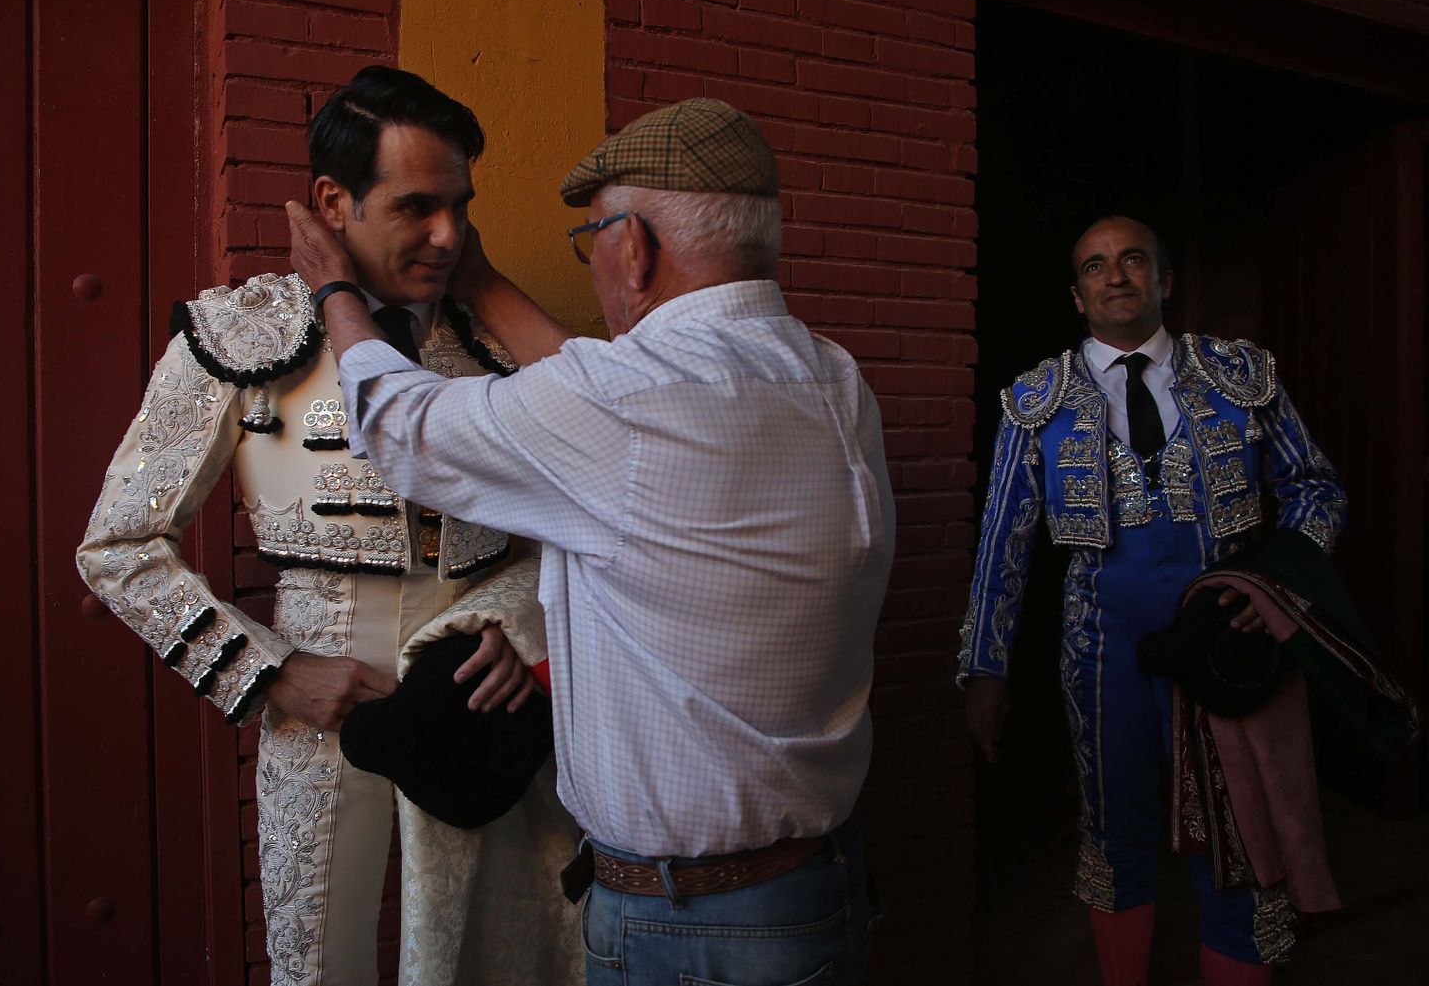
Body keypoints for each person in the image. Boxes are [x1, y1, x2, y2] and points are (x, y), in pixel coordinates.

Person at [283, 97, 894, 986]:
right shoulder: (835, 378)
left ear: (635, 246)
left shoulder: (632, 405)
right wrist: (482, 284)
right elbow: (614, 413)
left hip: (690, 932)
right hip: (814, 885)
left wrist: (335, 291)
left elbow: (405, 425)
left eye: (593, 237)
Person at [77, 66, 581, 986]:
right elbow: (119, 548)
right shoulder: (240, 333)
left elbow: (576, 522)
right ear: (332, 201)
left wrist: (520, 625)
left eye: (461, 206)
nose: (450, 236)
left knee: (496, 961)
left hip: (478, 694)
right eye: (417, 206)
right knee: (321, 967)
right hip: (316, 707)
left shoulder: (497, 340)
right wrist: (272, 671)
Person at [957, 215, 1347, 985]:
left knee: (1239, 834)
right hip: (1103, 655)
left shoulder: (1239, 375)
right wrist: (984, 669)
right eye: (1096, 265)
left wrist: (1277, 594)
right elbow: (1003, 543)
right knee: (1117, 832)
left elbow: (1316, 489)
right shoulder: (1036, 400)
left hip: (1232, 644)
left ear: (1165, 281)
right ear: (1077, 294)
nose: (1116, 274)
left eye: (1133, 259)